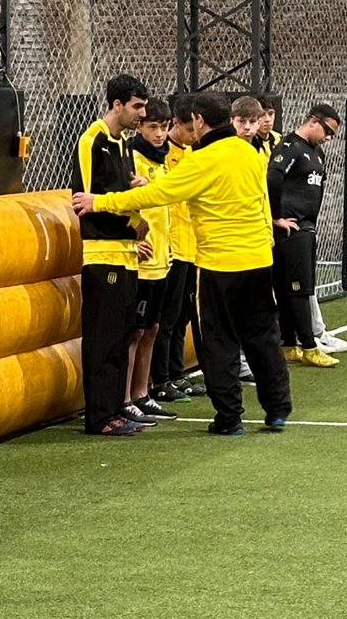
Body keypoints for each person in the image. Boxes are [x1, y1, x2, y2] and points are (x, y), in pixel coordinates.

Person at [85, 91, 292, 435]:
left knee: (218, 341)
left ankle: (229, 417)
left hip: (218, 264)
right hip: (258, 259)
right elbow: (261, 199)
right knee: (263, 336)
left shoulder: (202, 160)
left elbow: (159, 194)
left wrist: (100, 201)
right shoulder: (249, 152)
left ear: (199, 120)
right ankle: (277, 409)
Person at [70, 74, 150, 437]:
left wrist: (140, 201)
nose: (142, 114)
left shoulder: (123, 145)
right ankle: (99, 416)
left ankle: (116, 408)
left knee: (122, 335)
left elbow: (121, 197)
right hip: (102, 254)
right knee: (103, 339)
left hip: (126, 253)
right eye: (137, 107)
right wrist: (132, 222)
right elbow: (85, 201)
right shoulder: (93, 140)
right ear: (117, 105)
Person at [268, 104, 343, 368]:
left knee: (293, 288)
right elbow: (273, 177)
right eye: (327, 131)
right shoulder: (291, 146)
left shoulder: (316, 152)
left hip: (306, 227)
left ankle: (289, 344)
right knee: (298, 289)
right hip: (292, 228)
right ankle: (309, 346)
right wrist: (276, 216)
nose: (328, 138)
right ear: (313, 121)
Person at [123, 97, 177, 424]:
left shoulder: (163, 160)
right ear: (140, 127)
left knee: (153, 327)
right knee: (134, 331)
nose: (159, 133)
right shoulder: (133, 158)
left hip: (162, 259)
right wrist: (133, 238)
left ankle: (143, 393)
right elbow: (122, 202)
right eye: (152, 127)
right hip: (141, 263)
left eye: (163, 127)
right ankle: (126, 398)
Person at [150, 94, 202, 402]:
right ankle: (161, 379)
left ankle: (176, 373)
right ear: (175, 124)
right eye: (190, 129)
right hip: (170, 248)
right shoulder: (162, 155)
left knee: (182, 316)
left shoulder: (192, 154)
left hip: (191, 246)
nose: (194, 135)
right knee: (165, 319)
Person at [229, 95, 270, 384]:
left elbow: (262, 195)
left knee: (252, 309)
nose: (247, 127)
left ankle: (246, 360)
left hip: (254, 241)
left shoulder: (258, 151)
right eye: (241, 121)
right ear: (231, 121)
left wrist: (267, 229)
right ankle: (232, 364)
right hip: (227, 243)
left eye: (252, 122)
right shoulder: (225, 151)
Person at [254, 95, 282, 159]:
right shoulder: (250, 141)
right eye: (262, 114)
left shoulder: (279, 139)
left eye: (271, 113)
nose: (267, 119)